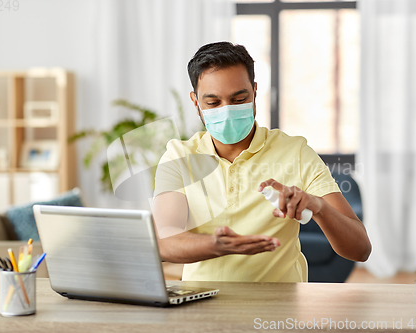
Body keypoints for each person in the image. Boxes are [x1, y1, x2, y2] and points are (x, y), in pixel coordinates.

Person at [152, 41, 371, 282]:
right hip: (202, 304)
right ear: (196, 103)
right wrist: (218, 245)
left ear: (255, 93)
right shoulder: (179, 156)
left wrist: (319, 208)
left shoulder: (295, 152)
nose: (226, 111)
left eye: (238, 99)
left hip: (280, 311)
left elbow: (360, 249)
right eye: (213, 103)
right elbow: (165, 241)